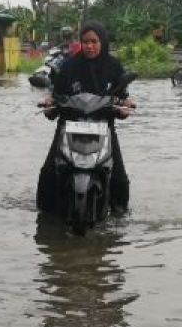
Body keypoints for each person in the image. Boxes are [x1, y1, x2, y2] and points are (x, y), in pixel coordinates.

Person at [37, 21, 133, 214]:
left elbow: (123, 95)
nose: (89, 46)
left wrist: (126, 105)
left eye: (94, 41)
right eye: (85, 41)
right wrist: (49, 104)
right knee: (48, 172)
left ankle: (120, 214)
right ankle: (45, 214)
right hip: (69, 125)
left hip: (103, 126)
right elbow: (57, 94)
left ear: (102, 42)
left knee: (119, 177)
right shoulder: (69, 65)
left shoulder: (113, 66)